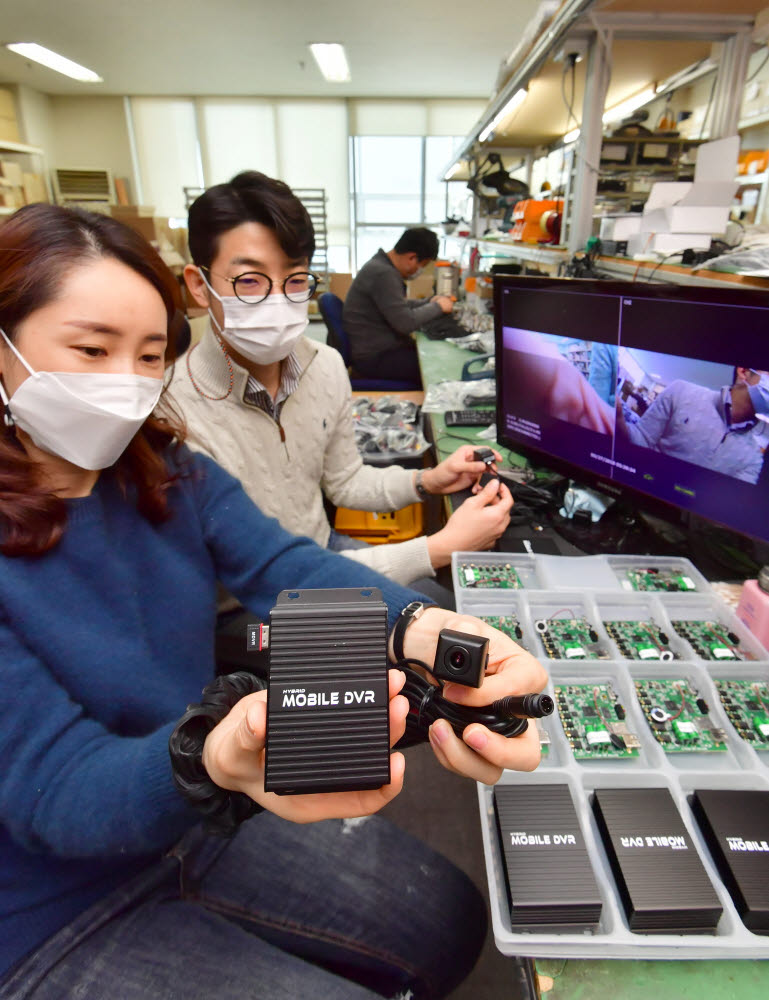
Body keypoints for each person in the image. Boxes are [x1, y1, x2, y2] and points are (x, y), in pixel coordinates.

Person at [0, 203, 546, 1000]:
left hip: (188, 817)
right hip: (50, 906)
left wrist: (431, 628)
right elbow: (57, 790)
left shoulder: (165, 472)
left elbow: (286, 566)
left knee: (449, 921)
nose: (126, 383)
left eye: (150, 355)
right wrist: (210, 758)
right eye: (90, 349)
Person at [171, 171, 513, 608]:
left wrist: (429, 480)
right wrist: (437, 548)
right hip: (249, 605)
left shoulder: (324, 366)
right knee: (432, 636)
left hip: (320, 547)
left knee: (449, 613)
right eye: (250, 282)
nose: (278, 301)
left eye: (295, 280)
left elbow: (345, 481)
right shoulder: (173, 417)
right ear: (199, 285)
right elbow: (268, 583)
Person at [616, 367, 769, 485]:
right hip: (638, 489)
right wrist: (617, 420)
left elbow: (730, 509)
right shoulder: (681, 391)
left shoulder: (753, 460)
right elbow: (642, 439)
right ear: (744, 371)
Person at [342, 227, 454, 384]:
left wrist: (428, 302)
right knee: (438, 367)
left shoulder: (380, 265)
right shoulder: (383, 274)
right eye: (422, 265)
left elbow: (396, 306)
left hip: (377, 349)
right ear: (412, 258)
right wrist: (439, 307)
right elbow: (405, 323)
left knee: (429, 355)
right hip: (375, 357)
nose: (419, 271)